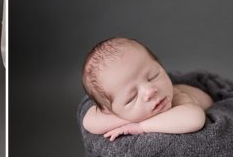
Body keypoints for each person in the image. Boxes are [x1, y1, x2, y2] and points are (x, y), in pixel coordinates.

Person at [81, 37, 213, 141]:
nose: (150, 91)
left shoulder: (179, 98)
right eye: (131, 98)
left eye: (153, 76)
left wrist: (141, 126)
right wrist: (132, 117)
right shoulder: (114, 112)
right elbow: (89, 122)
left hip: (211, 102)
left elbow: (194, 119)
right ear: (110, 111)